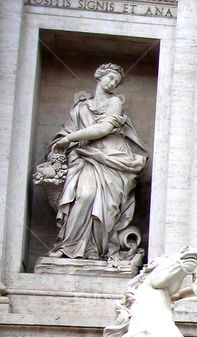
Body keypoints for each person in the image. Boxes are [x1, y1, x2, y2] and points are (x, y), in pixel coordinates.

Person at [43, 62, 147, 261]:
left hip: (110, 157)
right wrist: (61, 141)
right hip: (83, 156)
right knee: (83, 195)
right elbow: (67, 130)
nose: (112, 83)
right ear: (99, 76)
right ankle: (69, 246)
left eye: (116, 82)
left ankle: (96, 250)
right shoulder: (81, 106)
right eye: (110, 78)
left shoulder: (115, 102)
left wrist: (69, 139)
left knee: (106, 205)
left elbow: (103, 129)